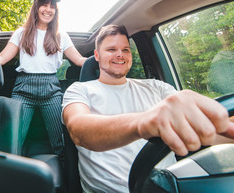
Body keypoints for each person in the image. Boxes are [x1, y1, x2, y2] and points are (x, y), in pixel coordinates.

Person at [62, 24, 234, 192]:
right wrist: (145, 122)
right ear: (97, 56)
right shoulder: (79, 89)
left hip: (167, 186)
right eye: (111, 50)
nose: (120, 55)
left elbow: (204, 128)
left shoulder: (157, 87)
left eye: (126, 50)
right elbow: (79, 129)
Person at [0, 0, 86, 161]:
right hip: (23, 88)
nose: (48, 9)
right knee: (15, 136)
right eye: (44, 4)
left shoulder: (61, 35)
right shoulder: (21, 33)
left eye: (52, 6)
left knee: (59, 138)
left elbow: (79, 59)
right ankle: (12, 171)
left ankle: (62, 173)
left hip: (51, 90)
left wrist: (103, 58)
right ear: (36, 7)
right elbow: (0, 58)